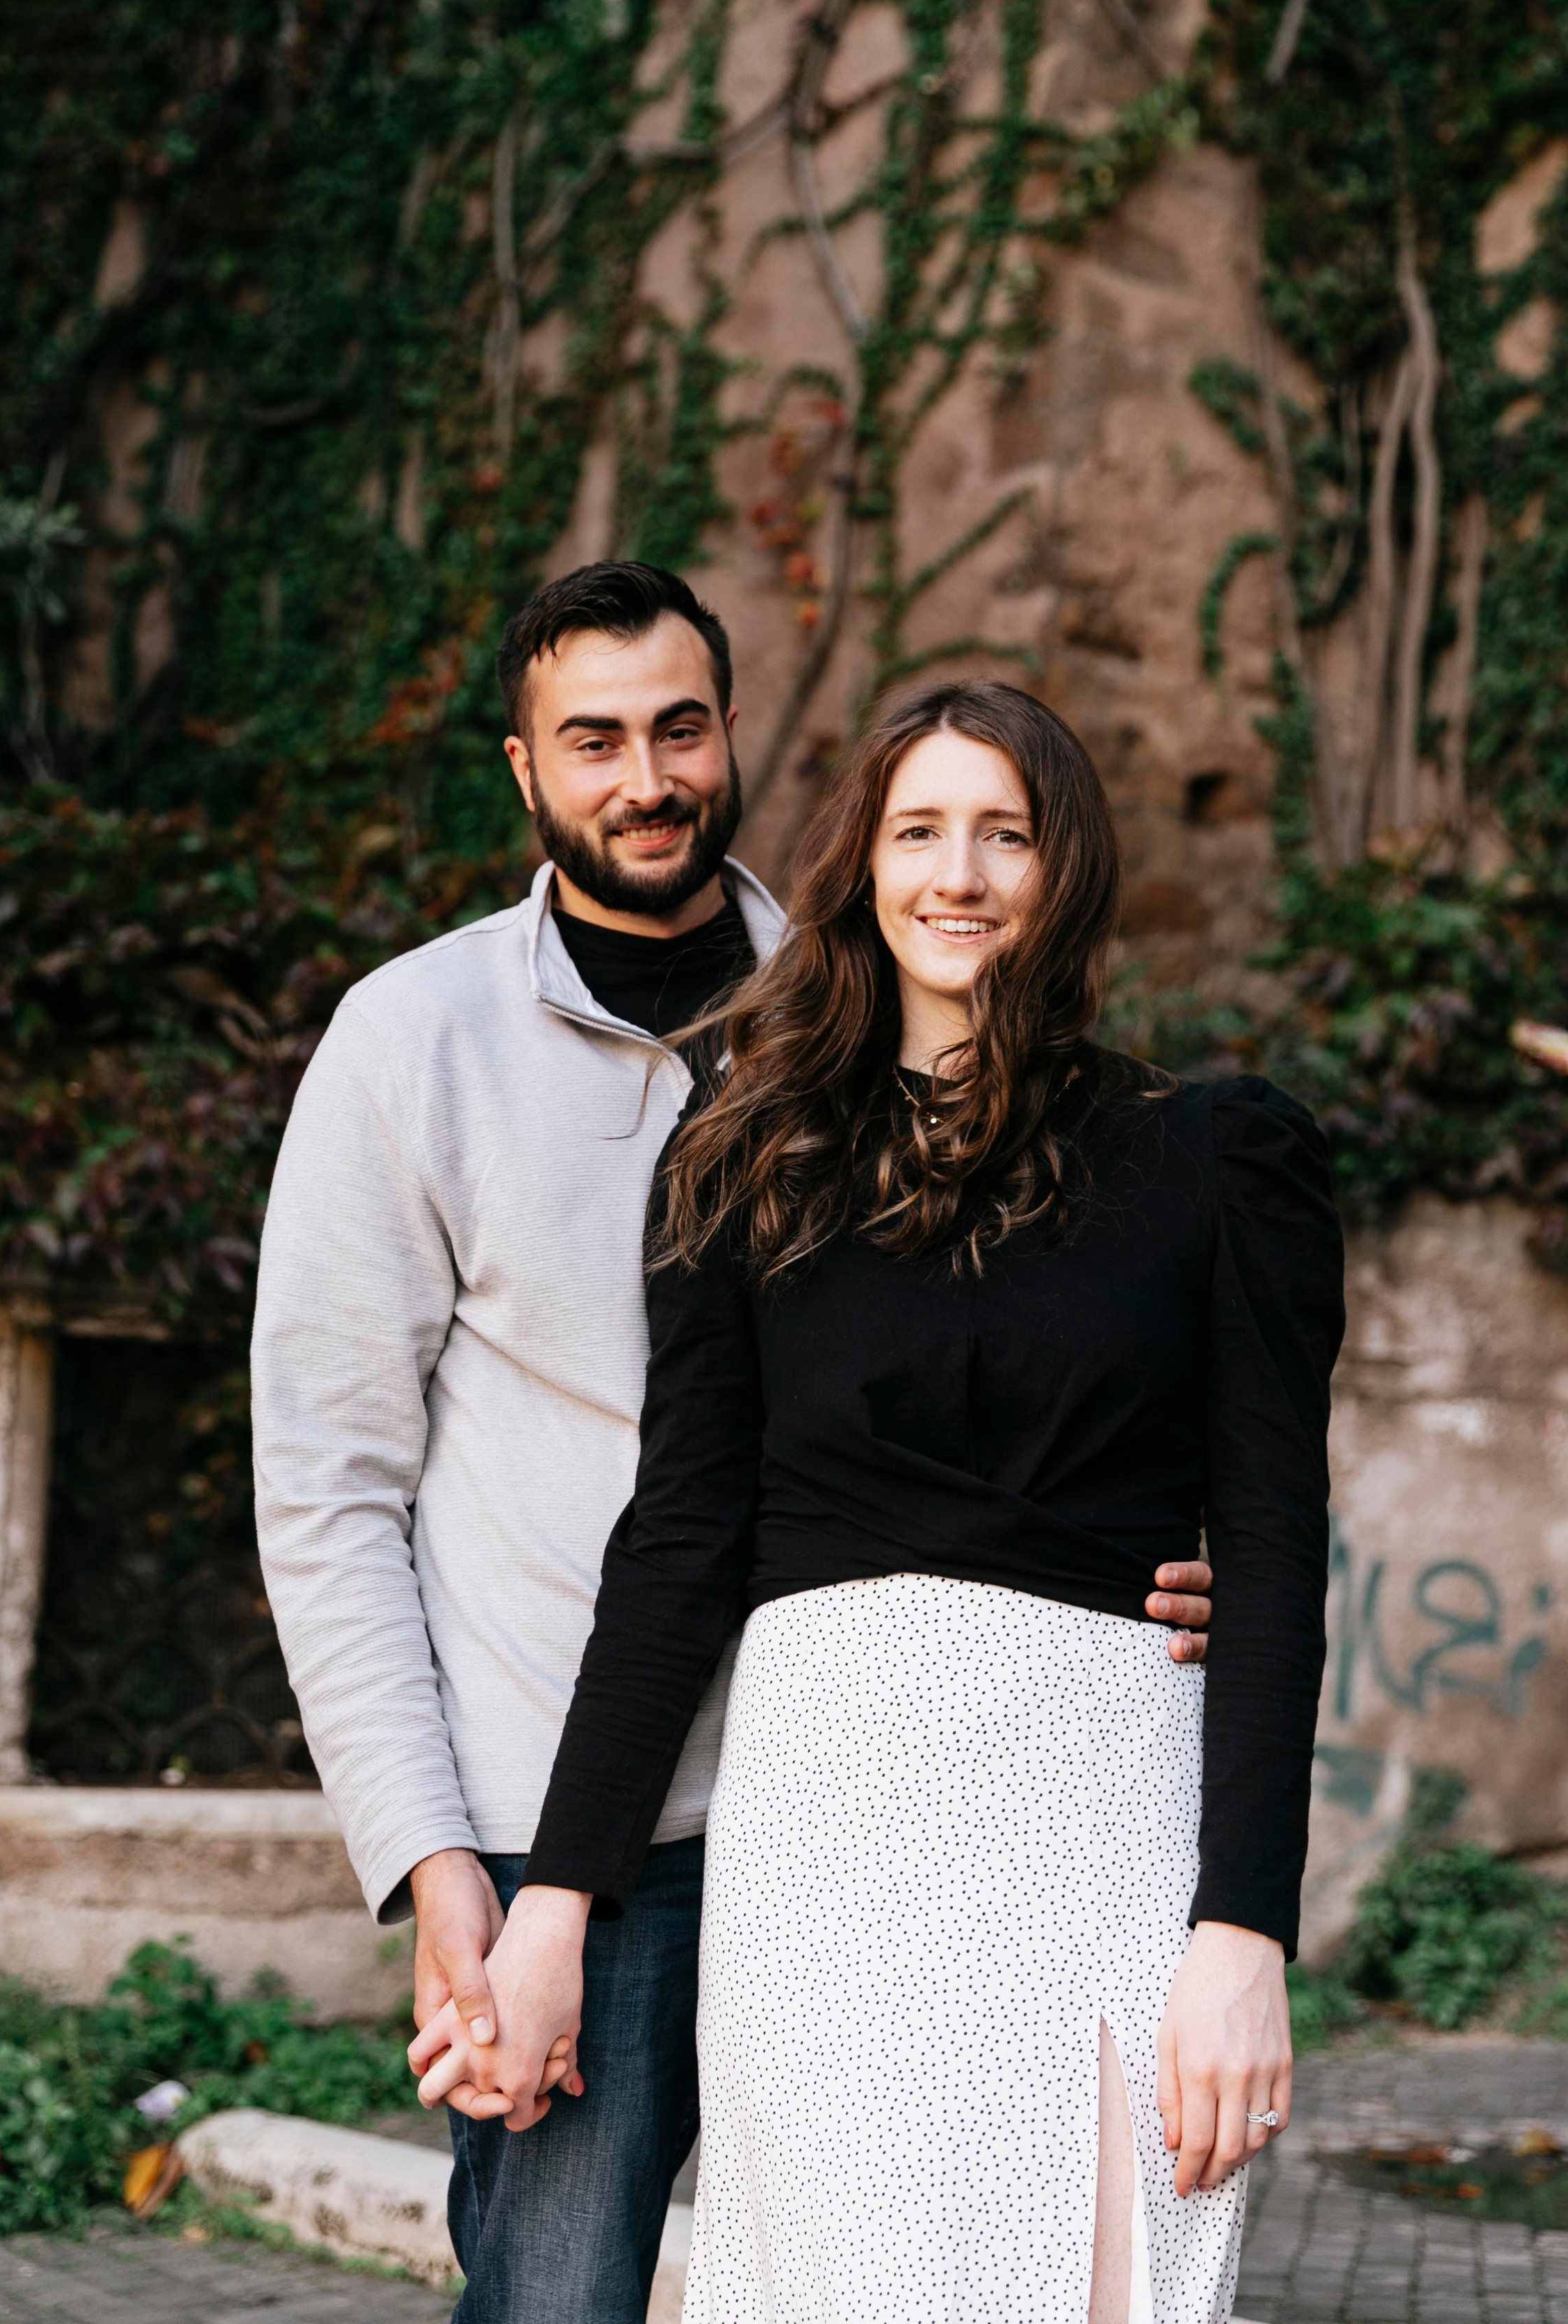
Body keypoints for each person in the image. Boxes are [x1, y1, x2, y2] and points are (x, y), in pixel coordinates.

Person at [254, 578, 1220, 2324]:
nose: (646, 778)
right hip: (568, 1831)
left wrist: (1132, 1562)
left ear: (732, 732)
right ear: (522, 769)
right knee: (554, 2300)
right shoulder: (411, 1043)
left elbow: (1044, 1354)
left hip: (854, 1804)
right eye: (593, 741)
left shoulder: (887, 996)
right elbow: (328, 1488)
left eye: (678, 728)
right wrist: (435, 1860)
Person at [430, 678, 1342, 2324]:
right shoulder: (744, 1159)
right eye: (919, 831)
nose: (958, 875)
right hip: (827, 1829)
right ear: (861, 864)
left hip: (1098, 1816)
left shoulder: (1216, 1159)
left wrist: (1244, 1933)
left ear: (1067, 867)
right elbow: (678, 1545)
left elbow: (1275, 1557)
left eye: (1006, 834)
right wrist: (553, 1906)